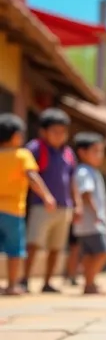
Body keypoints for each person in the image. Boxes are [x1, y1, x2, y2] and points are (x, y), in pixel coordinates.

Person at [22, 108, 81, 293]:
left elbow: (72, 181)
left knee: (57, 247)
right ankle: (24, 279)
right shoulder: (35, 148)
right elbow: (30, 174)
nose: (60, 135)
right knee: (34, 243)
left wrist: (77, 204)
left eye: (63, 131)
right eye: (55, 131)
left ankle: (47, 282)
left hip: (64, 207)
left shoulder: (68, 153)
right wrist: (46, 196)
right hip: (41, 206)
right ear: (43, 131)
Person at [0, 114, 56, 295]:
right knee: (15, 250)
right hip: (14, 211)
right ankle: (11, 285)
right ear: (16, 136)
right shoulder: (23, 155)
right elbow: (33, 177)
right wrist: (47, 196)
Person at [73, 132, 106, 294]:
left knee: (90, 254)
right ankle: (89, 282)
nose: (100, 155)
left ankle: (89, 283)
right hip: (92, 222)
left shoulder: (91, 171)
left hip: (88, 224)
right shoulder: (84, 171)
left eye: (101, 151)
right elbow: (86, 194)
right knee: (104, 251)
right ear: (82, 152)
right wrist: (98, 214)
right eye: (95, 151)